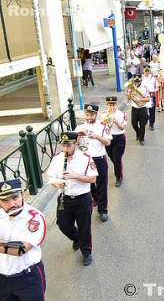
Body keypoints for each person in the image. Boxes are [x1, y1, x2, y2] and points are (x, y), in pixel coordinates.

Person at [46, 132, 97, 266]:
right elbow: (50, 177)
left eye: (68, 146)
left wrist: (75, 176)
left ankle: (86, 252)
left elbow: (92, 178)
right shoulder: (57, 158)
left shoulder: (86, 158)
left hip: (82, 198)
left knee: (84, 227)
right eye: (63, 145)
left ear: (75, 144)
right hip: (65, 198)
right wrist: (56, 183)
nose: (65, 149)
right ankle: (76, 237)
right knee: (63, 224)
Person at [0, 178, 47, 298]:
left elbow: (21, 249)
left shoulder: (34, 217)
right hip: (2, 280)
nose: (12, 205)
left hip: (28, 279)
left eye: (15, 197)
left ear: (22, 194)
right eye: (5, 201)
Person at [75, 104, 112, 221]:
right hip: (85, 159)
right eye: (87, 114)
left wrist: (97, 137)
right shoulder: (80, 126)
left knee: (102, 185)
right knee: (89, 183)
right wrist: (78, 137)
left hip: (99, 158)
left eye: (92, 115)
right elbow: (74, 143)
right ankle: (95, 198)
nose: (89, 117)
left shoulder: (103, 126)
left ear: (96, 114)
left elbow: (108, 143)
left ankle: (103, 210)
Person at [100, 96, 127, 187]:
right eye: (110, 105)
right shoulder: (103, 115)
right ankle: (119, 168)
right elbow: (102, 128)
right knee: (111, 157)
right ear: (107, 105)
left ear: (116, 104)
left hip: (119, 138)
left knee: (116, 159)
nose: (112, 107)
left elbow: (122, 127)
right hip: (108, 138)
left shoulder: (121, 114)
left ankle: (118, 177)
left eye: (113, 105)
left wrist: (115, 122)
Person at [127, 75, 151, 145]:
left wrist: (140, 99)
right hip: (134, 108)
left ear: (141, 81)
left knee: (142, 125)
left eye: (138, 81)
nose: (136, 83)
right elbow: (128, 98)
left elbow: (148, 99)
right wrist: (130, 93)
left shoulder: (144, 88)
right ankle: (138, 133)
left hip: (142, 109)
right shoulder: (131, 88)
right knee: (134, 124)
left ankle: (141, 139)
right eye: (135, 82)